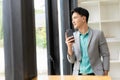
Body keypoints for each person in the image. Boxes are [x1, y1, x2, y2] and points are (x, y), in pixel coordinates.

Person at [65, 7, 110, 76]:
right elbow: (72, 60)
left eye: (75, 18)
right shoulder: (73, 36)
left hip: (95, 74)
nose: (72, 21)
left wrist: (106, 72)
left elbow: (105, 54)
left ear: (83, 19)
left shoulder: (98, 34)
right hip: (78, 75)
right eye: (72, 19)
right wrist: (69, 47)